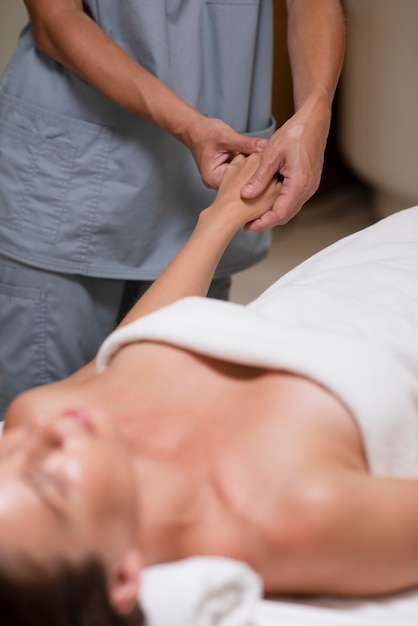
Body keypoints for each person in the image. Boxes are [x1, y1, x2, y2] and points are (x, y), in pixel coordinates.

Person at [1, 153, 418, 625]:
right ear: (122, 577)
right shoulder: (292, 517)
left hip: (362, 259)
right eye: (50, 482)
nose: (40, 436)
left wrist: (222, 216)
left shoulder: (41, 414)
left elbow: (139, 340)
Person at [0, 0, 345, 418]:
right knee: (44, 420)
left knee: (168, 417)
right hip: (75, 167)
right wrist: (190, 126)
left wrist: (315, 111)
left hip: (208, 175)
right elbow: (55, 19)